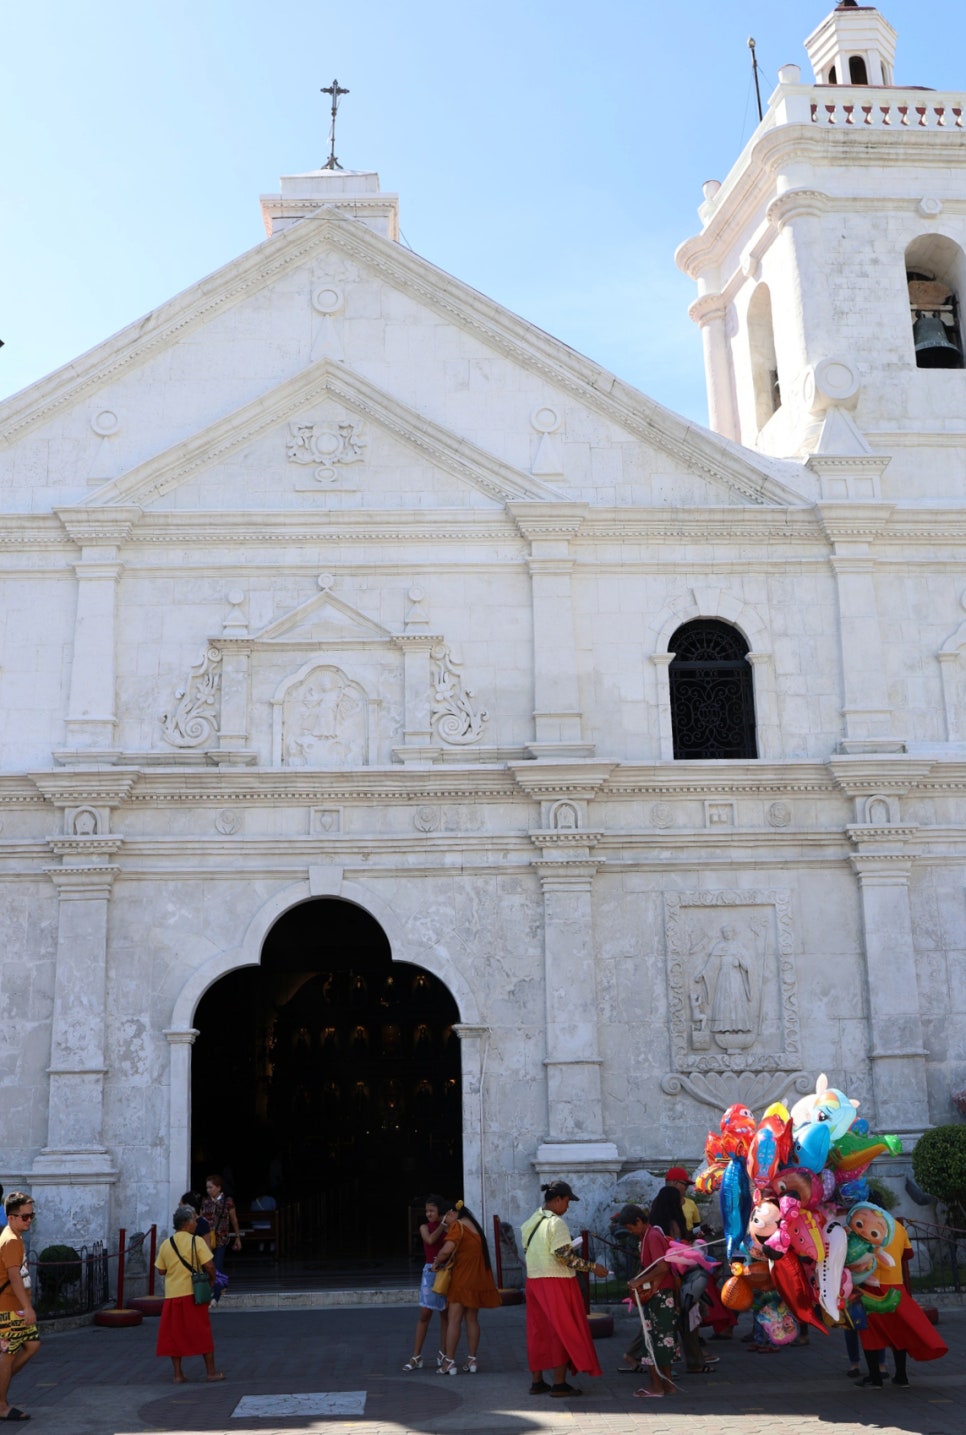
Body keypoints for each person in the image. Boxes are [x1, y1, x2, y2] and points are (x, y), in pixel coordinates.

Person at [520, 1180, 606, 1399]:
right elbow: (563, 1257)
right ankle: (559, 1384)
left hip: (534, 1280)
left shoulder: (531, 1220)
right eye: (567, 1201)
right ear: (557, 1200)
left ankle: (537, 1382)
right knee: (562, 1331)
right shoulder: (556, 1223)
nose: (568, 1207)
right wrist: (592, 1267)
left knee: (537, 1331)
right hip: (556, 1282)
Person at [857, 1213, 947, 1387]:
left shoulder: (862, 1223)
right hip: (896, 1285)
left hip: (871, 1285)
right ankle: (901, 1375)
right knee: (898, 1330)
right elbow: (909, 1253)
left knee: (870, 1333)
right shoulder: (898, 1227)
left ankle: (875, 1378)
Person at [647, 1185, 715, 1376]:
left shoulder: (657, 1224)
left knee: (682, 1319)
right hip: (676, 1277)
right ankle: (690, 1363)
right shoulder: (668, 1224)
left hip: (676, 1275)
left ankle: (694, 1361)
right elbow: (675, 1244)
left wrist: (695, 1235)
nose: (682, 1201)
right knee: (684, 1319)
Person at [155, 1203, 224, 1383]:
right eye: (194, 1219)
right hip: (193, 1294)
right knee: (202, 1332)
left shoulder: (166, 1244)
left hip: (172, 1295)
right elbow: (209, 1265)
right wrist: (211, 1280)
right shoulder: (196, 1241)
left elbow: (161, 1271)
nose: (196, 1222)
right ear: (186, 1223)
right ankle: (210, 1372)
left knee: (174, 1335)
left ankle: (177, 1374)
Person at [432, 1198, 501, 1375]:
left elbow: (447, 1250)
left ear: (451, 1214)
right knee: (472, 1319)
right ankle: (472, 1360)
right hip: (477, 1279)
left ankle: (449, 1362)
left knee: (454, 1319)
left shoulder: (457, 1226)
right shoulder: (475, 1227)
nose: (445, 1223)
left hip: (462, 1280)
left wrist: (437, 1261)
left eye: (444, 1219)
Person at [0, 1192, 40, 1422]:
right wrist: (28, 1307)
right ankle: (1, 1405)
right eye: (25, 1216)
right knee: (8, 1354)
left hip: (16, 1308)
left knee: (32, 1345)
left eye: (31, 1216)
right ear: (11, 1217)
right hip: (10, 1308)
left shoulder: (14, 1236)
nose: (29, 1220)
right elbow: (14, 1276)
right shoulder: (11, 1240)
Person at [402, 1195, 449, 1371]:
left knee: (445, 1313)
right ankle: (416, 1355)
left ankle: (443, 1351)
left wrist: (445, 1226)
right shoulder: (424, 1227)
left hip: (445, 1271)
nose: (429, 1214)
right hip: (430, 1272)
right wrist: (442, 1227)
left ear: (440, 1212)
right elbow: (430, 1240)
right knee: (424, 1313)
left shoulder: (449, 1228)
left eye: (432, 1211)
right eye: (427, 1211)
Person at [200, 1174, 241, 1304]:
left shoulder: (227, 1202)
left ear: (218, 1187)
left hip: (221, 1239)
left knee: (217, 1265)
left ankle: (215, 1295)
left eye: (211, 1187)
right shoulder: (205, 1202)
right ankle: (220, 1286)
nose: (208, 1190)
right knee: (208, 1265)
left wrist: (237, 1237)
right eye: (207, 1187)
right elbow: (201, 1219)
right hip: (207, 1240)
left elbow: (234, 1220)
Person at [665, 1168, 701, 1234]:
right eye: (685, 1184)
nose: (686, 1188)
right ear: (675, 1183)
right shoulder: (660, 1204)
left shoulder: (691, 1203)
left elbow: (697, 1226)